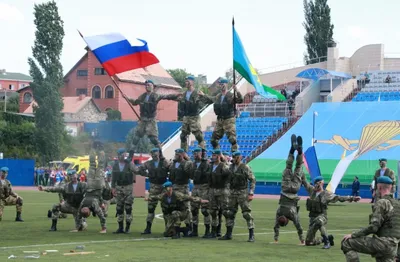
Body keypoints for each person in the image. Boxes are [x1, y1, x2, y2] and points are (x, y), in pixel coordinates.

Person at [341, 176, 400, 262]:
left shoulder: (381, 202)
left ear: (379, 187)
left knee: (347, 243)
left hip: (384, 244)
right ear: (391, 187)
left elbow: (373, 227)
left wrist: (353, 235)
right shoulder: (398, 204)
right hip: (395, 246)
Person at [302, 175, 361, 249]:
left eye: (318, 183)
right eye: (315, 183)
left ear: (322, 183)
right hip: (312, 218)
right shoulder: (312, 190)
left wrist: (352, 198)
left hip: (322, 216)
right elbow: (305, 182)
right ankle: (325, 239)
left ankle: (327, 242)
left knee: (319, 221)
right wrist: (300, 172)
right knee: (309, 242)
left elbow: (339, 198)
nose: (316, 185)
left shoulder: (326, 194)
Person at [127, 80, 181, 151]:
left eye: (149, 85)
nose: (147, 86)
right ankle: (130, 156)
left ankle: (161, 156)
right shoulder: (142, 96)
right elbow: (135, 102)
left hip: (151, 120)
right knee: (136, 137)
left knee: (153, 138)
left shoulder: (155, 96)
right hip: (143, 120)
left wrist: (177, 94)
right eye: (146, 85)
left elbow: (167, 96)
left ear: (153, 86)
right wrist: (127, 98)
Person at [274, 134, 305, 245]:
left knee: (298, 168)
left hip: (294, 190)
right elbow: (276, 226)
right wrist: (275, 238)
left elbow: (299, 227)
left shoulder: (292, 215)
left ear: (287, 221)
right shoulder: (279, 212)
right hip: (285, 189)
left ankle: (300, 151)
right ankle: (293, 150)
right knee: (288, 167)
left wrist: (302, 240)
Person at [220, 151, 256, 242]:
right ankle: (228, 234)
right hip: (232, 193)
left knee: (246, 213)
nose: (234, 158)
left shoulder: (245, 167)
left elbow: (252, 180)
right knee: (230, 213)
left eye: (236, 157)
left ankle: (251, 235)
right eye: (233, 156)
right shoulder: (231, 167)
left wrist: (251, 193)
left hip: (242, 192)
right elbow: (227, 179)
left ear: (240, 157)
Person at [201, 78, 244, 152]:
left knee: (232, 139)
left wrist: (236, 90)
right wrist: (203, 95)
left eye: (223, 84)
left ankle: (235, 156)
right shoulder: (218, 96)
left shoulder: (231, 95)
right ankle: (217, 154)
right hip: (220, 120)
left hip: (229, 119)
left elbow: (240, 100)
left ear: (226, 84)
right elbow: (211, 99)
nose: (221, 86)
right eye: (220, 84)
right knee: (213, 140)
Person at [138, 148, 170, 234]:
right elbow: (139, 169)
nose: (154, 156)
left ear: (159, 154)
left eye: (155, 154)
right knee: (151, 208)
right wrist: (147, 175)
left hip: (163, 187)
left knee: (165, 209)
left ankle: (168, 228)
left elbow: (171, 169)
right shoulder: (148, 163)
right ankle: (148, 228)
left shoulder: (164, 162)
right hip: (153, 187)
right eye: (152, 154)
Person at [175, 75, 207, 152]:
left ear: (192, 82)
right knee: (183, 135)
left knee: (198, 135)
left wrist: (204, 96)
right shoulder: (184, 94)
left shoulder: (197, 92)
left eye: (188, 81)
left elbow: (206, 101)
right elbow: (181, 104)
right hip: (186, 116)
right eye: (186, 81)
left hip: (194, 116)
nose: (186, 82)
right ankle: (183, 152)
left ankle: (202, 150)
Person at [112, 148, 139, 234]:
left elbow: (136, 170)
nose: (122, 156)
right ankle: (120, 227)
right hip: (119, 187)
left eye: (123, 154)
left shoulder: (129, 164)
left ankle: (127, 227)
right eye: (120, 154)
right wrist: (113, 188)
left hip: (128, 187)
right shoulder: (115, 165)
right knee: (119, 208)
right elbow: (113, 177)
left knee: (128, 208)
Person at [206, 149, 231, 238]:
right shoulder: (210, 166)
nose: (213, 157)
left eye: (214, 155)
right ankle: (214, 231)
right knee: (213, 211)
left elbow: (228, 175)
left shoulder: (223, 166)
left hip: (222, 190)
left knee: (225, 211)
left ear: (219, 156)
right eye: (212, 155)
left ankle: (228, 232)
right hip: (212, 190)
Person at [168, 148, 193, 235]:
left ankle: (189, 227)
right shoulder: (172, 164)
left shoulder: (186, 164)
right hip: (174, 187)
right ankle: (176, 228)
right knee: (175, 208)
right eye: (175, 154)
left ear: (182, 155)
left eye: (178, 154)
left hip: (183, 187)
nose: (176, 156)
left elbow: (191, 170)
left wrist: (188, 158)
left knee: (186, 208)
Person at [189, 148, 211, 237]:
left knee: (205, 210)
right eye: (194, 153)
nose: (195, 155)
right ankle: (195, 230)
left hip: (204, 187)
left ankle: (207, 231)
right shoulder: (193, 164)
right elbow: (191, 175)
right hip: (195, 187)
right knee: (194, 209)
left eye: (196, 153)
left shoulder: (207, 163)